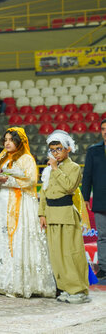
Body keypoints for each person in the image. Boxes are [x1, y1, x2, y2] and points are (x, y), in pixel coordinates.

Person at [0, 127, 56, 298]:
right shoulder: (1, 157)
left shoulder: (26, 158)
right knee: (1, 241)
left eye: (10, 140)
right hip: (1, 206)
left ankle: (19, 283)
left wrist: (7, 179)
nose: (7, 143)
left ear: (19, 142)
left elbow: (30, 180)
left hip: (20, 206)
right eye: (5, 139)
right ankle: (0, 282)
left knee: (17, 241)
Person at [39, 130, 90, 303]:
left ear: (68, 149)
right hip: (52, 215)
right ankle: (65, 288)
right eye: (52, 150)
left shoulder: (73, 167)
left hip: (66, 214)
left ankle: (79, 290)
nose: (55, 153)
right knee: (56, 255)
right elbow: (44, 192)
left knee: (71, 253)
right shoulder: (48, 170)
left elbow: (69, 187)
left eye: (58, 149)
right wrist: (42, 214)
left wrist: (54, 169)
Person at [82, 119, 106, 279]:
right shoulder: (93, 150)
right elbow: (87, 176)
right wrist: (84, 197)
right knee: (103, 235)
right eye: (103, 129)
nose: (105, 131)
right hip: (100, 200)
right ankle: (104, 268)